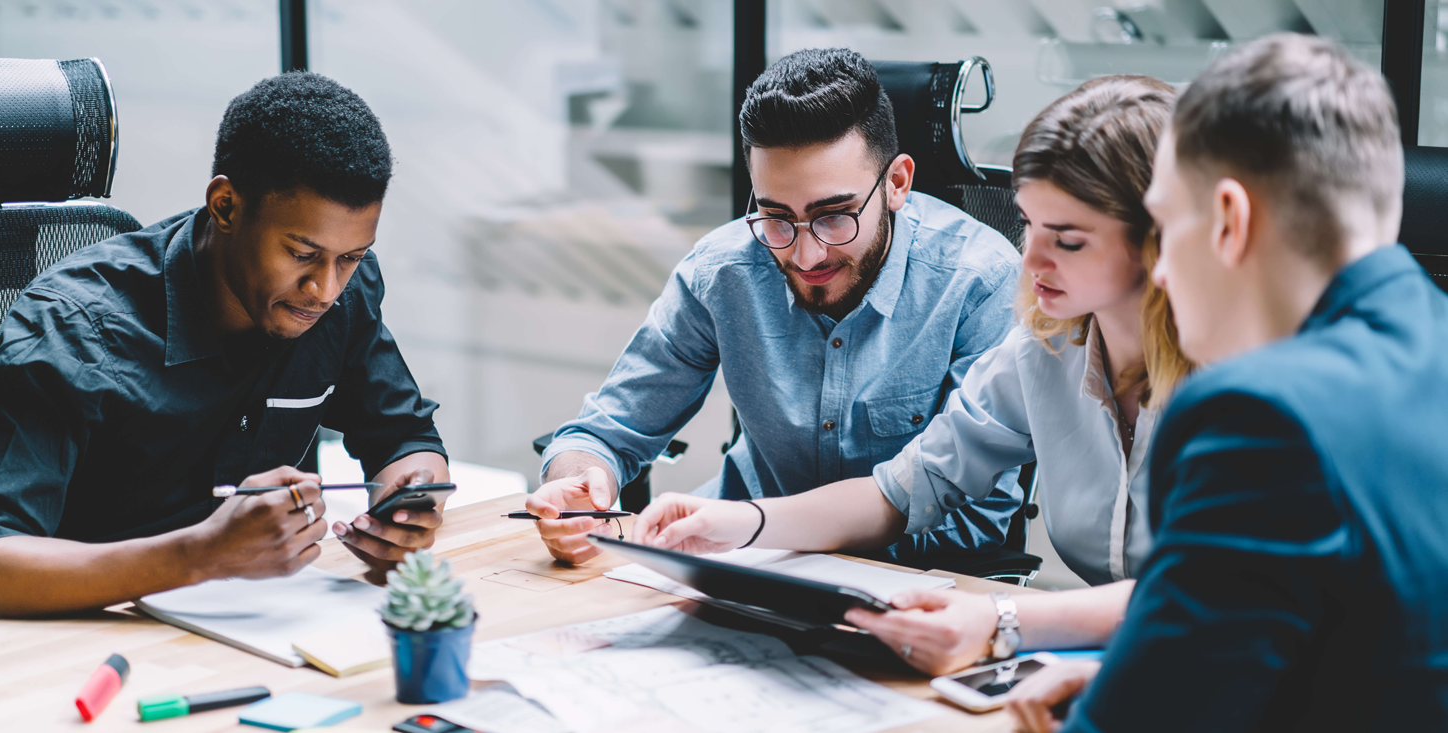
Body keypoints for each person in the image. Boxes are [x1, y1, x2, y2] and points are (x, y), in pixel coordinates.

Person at [634, 75, 1194, 675]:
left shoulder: (1238, 379)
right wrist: (742, 524)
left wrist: (1002, 621)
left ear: (1160, 239)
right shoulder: (1046, 350)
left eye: (1069, 239)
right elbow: (901, 490)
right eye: (1028, 224)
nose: (1028, 260)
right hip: (1132, 659)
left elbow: (1218, 590)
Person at [1004, 33, 1448, 732]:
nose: (1160, 271)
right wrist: (1139, 669)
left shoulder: (1257, 416)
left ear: (1231, 221)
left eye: (1167, 226)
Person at [0, 73, 450, 623]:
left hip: (270, 625)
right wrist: (202, 554)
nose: (325, 289)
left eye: (350, 257)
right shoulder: (75, 328)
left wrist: (412, 501)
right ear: (227, 206)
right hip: (90, 639)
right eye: (302, 252)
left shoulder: (338, 296)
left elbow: (406, 437)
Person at [526, 48, 1024, 566]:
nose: (805, 254)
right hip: (730, 561)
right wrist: (580, 487)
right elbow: (601, 433)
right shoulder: (722, 271)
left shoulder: (979, 281)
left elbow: (975, 523)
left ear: (896, 183)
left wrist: (771, 536)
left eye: (834, 216)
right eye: (777, 217)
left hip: (904, 586)